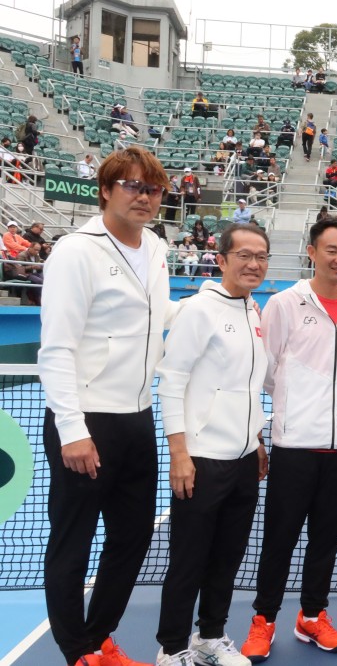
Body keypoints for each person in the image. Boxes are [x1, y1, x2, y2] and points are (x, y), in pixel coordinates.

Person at [37, 147, 175, 666]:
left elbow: (159, 314)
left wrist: (216, 304)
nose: (143, 196)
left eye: (153, 188)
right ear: (106, 189)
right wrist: (72, 428)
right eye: (132, 186)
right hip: (87, 422)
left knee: (134, 537)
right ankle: (77, 651)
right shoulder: (76, 251)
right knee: (72, 544)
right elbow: (57, 348)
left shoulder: (157, 247)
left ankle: (98, 638)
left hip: (138, 418)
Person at [239, 217, 337, 662]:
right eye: (332, 250)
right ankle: (263, 620)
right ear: (312, 252)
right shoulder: (283, 303)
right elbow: (264, 371)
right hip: (294, 446)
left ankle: (313, 616)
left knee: (328, 538)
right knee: (279, 538)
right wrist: (274, 422)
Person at [154, 224, 270, 666]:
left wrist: (256, 440)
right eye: (243, 254)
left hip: (243, 461)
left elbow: (246, 388)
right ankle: (172, 648)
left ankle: (210, 637)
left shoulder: (253, 312)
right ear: (220, 259)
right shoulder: (197, 311)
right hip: (201, 460)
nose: (253, 263)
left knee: (226, 557)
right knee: (189, 560)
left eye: (260, 256)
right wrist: (179, 454)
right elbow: (172, 382)